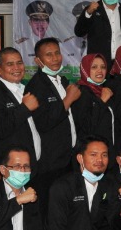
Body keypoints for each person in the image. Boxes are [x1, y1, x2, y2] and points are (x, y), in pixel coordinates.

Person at [25, 37, 81, 194]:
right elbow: (43, 123)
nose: (55, 58)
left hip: (69, 158)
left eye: (57, 53)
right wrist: (68, 100)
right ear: (38, 60)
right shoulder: (35, 85)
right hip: (50, 162)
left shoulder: (63, 81)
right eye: (49, 55)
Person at [0, 47, 42, 183]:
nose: (16, 68)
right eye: (10, 64)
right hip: (13, 169)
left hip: (34, 165)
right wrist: (25, 108)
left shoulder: (27, 89)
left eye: (19, 63)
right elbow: (0, 129)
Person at [72, 52, 117, 146]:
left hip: (107, 148)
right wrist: (102, 101)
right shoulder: (81, 92)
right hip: (90, 150)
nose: (100, 70)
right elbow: (87, 127)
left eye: (103, 67)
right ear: (85, 69)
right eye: (94, 67)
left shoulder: (104, 91)